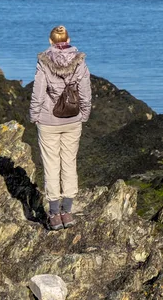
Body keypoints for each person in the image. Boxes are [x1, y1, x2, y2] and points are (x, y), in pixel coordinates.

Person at [30, 25, 92, 230]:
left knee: (51, 166)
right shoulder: (80, 62)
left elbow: (38, 93)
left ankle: (54, 215)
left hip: (49, 122)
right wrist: (84, 114)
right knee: (69, 163)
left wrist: (34, 115)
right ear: (69, 39)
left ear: (50, 41)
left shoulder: (44, 62)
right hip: (72, 120)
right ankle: (68, 212)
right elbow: (85, 92)